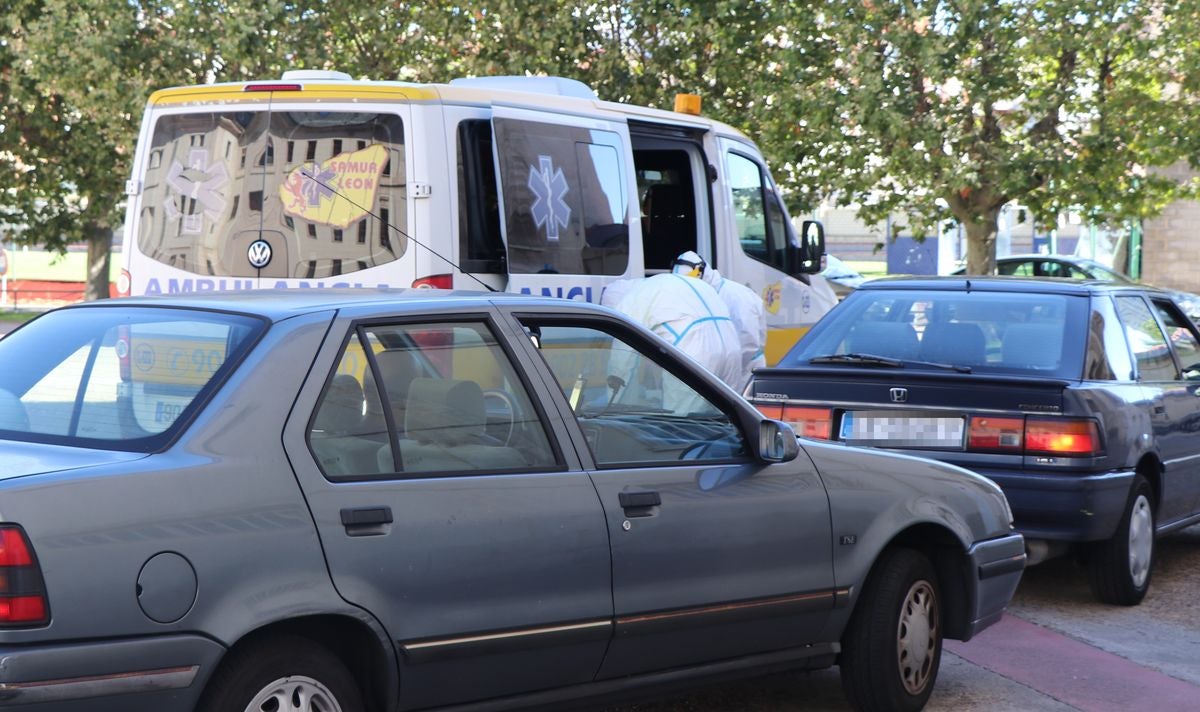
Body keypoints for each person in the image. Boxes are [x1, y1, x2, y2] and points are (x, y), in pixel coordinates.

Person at [609, 251, 742, 412]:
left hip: (695, 353)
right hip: (731, 348)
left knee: (683, 422)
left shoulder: (632, 300)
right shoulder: (681, 285)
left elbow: (622, 355)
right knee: (727, 417)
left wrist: (613, 400)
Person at [699, 257, 767, 389]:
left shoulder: (736, 297)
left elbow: (748, 341)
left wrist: (727, 366)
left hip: (745, 371)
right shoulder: (710, 293)